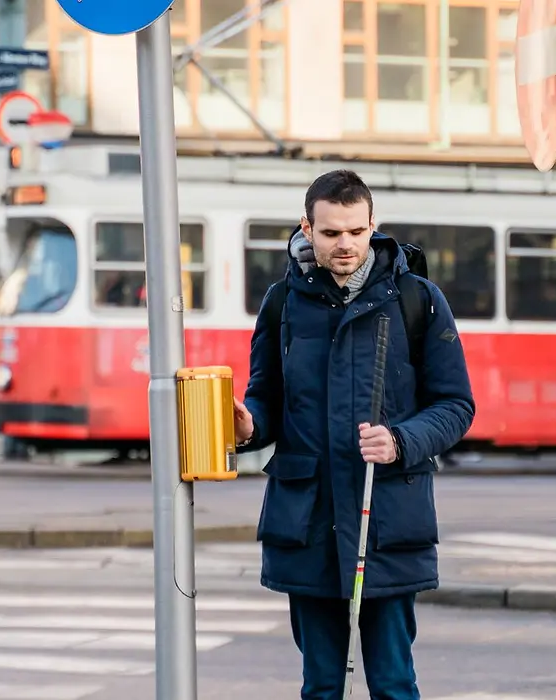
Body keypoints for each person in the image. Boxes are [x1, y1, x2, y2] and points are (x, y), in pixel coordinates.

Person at [232, 169, 475, 700]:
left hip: (384, 520)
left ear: (373, 226)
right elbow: (265, 397)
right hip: (308, 524)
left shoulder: (418, 299)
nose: (345, 244)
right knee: (321, 686)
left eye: (356, 232)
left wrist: (402, 440)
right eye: (330, 233)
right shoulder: (282, 303)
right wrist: (249, 425)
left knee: (393, 683)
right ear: (307, 228)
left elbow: (456, 405)